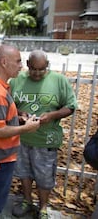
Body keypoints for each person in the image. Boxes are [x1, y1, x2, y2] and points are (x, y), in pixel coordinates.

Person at [9, 50, 77, 219]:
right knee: (24, 172)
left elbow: (70, 106)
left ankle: (43, 207)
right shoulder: (17, 80)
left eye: (41, 69)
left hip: (46, 140)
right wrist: (19, 114)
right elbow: (7, 105)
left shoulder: (59, 80)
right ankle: (27, 201)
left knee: (44, 177)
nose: (37, 73)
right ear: (27, 65)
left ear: (47, 66)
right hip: (22, 137)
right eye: (33, 69)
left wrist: (52, 116)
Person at [0, 45, 41, 219]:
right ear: (4, 62)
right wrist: (25, 128)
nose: (22, 66)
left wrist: (18, 118)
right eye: (18, 61)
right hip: (0, 156)